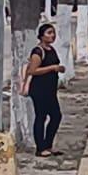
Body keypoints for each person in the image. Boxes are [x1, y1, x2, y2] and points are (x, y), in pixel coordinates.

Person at [23, 23, 65, 157]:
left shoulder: (51, 49)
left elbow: (54, 65)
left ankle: (48, 144)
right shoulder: (37, 51)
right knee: (41, 116)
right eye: (48, 33)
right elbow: (32, 70)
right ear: (41, 36)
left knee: (56, 116)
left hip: (50, 90)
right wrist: (52, 68)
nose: (52, 35)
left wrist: (58, 69)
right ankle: (40, 148)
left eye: (53, 33)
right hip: (39, 89)